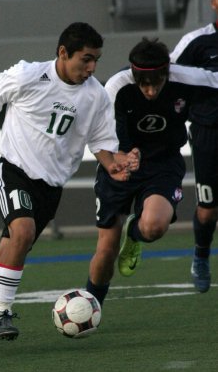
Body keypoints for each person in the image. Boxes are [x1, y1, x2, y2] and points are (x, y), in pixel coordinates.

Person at [0, 22, 140, 348]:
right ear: (63, 53)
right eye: (85, 59)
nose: (92, 67)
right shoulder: (28, 75)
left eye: (96, 59)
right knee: (21, 233)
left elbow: (100, 143)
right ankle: (2, 314)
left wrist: (115, 165)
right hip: (12, 171)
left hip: (50, 189)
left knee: (7, 255)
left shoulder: (95, 95)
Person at [86, 36, 218, 308]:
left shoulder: (187, 78)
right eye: (143, 84)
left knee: (154, 226)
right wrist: (120, 156)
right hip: (118, 164)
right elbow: (97, 134)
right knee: (106, 250)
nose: (149, 90)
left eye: (156, 83)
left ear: (166, 74)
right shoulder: (115, 87)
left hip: (163, 165)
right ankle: (91, 307)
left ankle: (135, 234)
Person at [170, 0, 218, 292]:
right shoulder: (196, 42)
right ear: (214, 1)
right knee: (208, 208)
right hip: (208, 135)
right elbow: (168, 79)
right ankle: (200, 256)